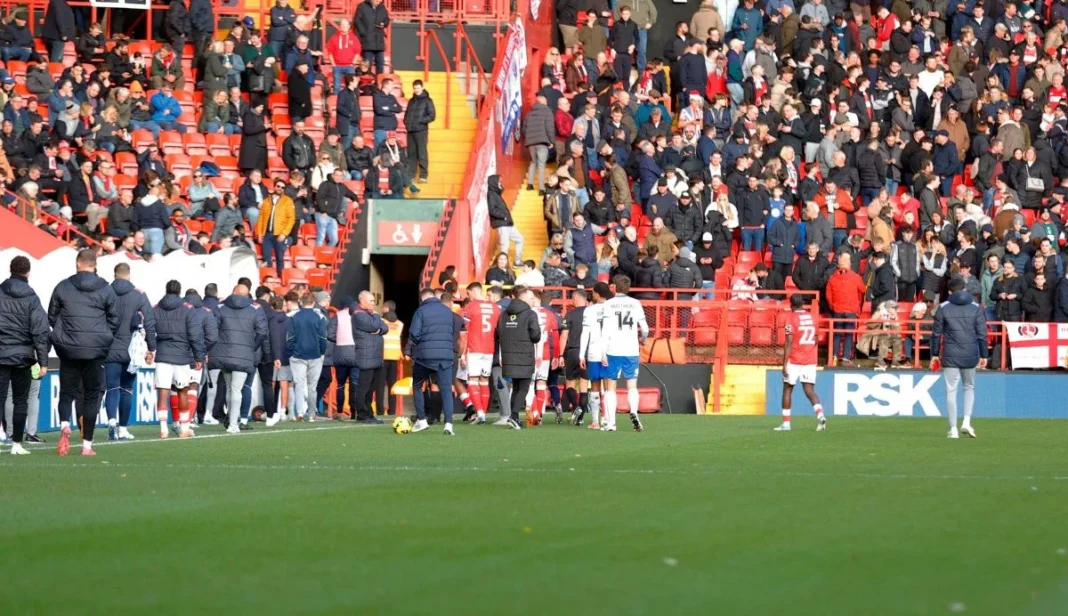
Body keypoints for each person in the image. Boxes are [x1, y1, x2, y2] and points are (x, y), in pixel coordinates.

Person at [48, 249, 120, 456]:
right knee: (91, 396)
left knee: (66, 393)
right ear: (94, 264)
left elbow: (51, 317)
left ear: (78, 263)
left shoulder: (63, 286)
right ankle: (86, 446)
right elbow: (115, 319)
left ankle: (64, 425)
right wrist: (104, 336)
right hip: (95, 351)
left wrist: (62, 336)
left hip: (69, 349)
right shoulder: (106, 289)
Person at [0, 256, 50, 455]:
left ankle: (3, 433)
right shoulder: (32, 297)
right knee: (21, 400)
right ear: (28, 272)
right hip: (22, 355)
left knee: (2, 396)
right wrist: (43, 361)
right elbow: (40, 331)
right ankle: (17, 444)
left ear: (10, 270)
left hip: (1, 353)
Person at [104, 263, 157, 442]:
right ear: (129, 275)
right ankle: (123, 429)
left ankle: (111, 420)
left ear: (114, 274)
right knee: (126, 389)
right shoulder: (139, 295)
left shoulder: (104, 292)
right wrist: (152, 348)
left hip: (109, 348)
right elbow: (149, 321)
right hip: (131, 351)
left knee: (111, 388)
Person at [931, 277, 987, 439]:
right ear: (965, 289)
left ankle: (953, 428)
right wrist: (984, 354)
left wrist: (934, 354)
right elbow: (982, 334)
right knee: (969, 387)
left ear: (949, 292)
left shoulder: (943, 307)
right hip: (970, 353)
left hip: (950, 354)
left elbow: (936, 334)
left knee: (951, 390)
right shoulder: (976, 308)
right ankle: (967, 421)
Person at [153, 279, 204, 439]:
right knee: (183, 391)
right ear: (179, 292)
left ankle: (163, 429)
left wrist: (150, 349)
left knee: (163, 392)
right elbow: (195, 335)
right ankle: (184, 428)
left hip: (162, 355)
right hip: (182, 356)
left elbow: (149, 329)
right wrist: (198, 356)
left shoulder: (156, 308)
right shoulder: (187, 310)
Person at [214, 283, 268, 434]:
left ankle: (232, 421)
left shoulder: (220, 307)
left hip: (225, 354)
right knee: (236, 389)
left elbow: (213, 330)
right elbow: (262, 331)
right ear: (247, 295)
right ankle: (233, 424)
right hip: (244, 354)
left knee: (230, 389)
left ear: (233, 292)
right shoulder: (256, 309)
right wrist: (252, 346)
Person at [597, 275, 648, 432]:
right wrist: (643, 339)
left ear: (614, 287)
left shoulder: (608, 304)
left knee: (611, 386)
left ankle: (611, 423)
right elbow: (645, 328)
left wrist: (603, 351)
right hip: (631, 349)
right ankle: (633, 411)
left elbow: (604, 330)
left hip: (613, 349)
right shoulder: (635, 303)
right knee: (632, 384)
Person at [408, 288, 458, 435]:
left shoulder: (420, 311)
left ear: (423, 299)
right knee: (446, 389)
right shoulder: (448, 312)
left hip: (424, 356)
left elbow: (414, 334)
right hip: (445, 356)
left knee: (417, 385)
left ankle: (422, 420)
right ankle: (448, 424)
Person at [776, 294, 826, 433]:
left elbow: (789, 342)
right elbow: (816, 339)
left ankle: (786, 424)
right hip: (810, 359)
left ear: (791, 304)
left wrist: (784, 363)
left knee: (787, 389)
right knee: (810, 390)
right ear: (803, 304)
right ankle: (820, 415)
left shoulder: (791, 318)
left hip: (795, 358)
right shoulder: (812, 317)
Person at [494, 285, 541, 430]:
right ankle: (514, 416)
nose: (534, 300)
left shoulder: (503, 314)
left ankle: (511, 416)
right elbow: (536, 336)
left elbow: (497, 334)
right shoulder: (530, 314)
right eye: (531, 297)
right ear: (525, 298)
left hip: (508, 357)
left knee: (516, 386)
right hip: (525, 356)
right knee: (524, 386)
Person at [458, 282, 500, 424]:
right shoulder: (495, 308)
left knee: (472, 380)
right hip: (489, 348)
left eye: (468, 293)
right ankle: (483, 413)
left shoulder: (470, 307)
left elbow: (465, 333)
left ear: (472, 291)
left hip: (474, 348)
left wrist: (462, 354)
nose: (468, 296)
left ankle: (480, 413)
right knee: (484, 381)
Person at [287, 292, 327, 422]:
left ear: (301, 302)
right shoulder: (319, 317)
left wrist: (291, 351)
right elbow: (323, 338)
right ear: (314, 302)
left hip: (298, 355)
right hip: (315, 355)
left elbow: (290, 337)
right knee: (312, 387)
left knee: (298, 384)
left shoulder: (294, 316)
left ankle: (299, 412)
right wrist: (321, 352)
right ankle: (311, 414)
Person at [352, 291, 388, 424]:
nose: (374, 303)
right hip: (366, 356)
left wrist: (378, 328)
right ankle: (362, 414)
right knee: (364, 387)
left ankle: (369, 413)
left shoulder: (370, 315)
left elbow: (385, 327)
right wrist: (377, 316)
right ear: (363, 301)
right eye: (371, 301)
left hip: (375, 356)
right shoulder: (358, 314)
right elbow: (374, 325)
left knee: (371, 388)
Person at [825, 252, 866, 365]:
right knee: (848, 334)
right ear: (849, 263)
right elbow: (863, 289)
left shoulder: (832, 277)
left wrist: (833, 306)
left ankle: (834, 357)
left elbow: (828, 295)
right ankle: (846, 358)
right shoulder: (855, 276)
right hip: (851, 311)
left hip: (837, 310)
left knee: (837, 334)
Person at [527, 291, 561, 425]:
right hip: (546, 355)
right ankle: (539, 414)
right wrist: (557, 355)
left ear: (534, 299)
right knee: (541, 384)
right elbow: (556, 337)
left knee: (530, 384)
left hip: (531, 354)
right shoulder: (550, 314)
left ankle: (534, 412)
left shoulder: (529, 313)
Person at [257, 179, 296, 278]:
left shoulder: (288, 201)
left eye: (283, 188)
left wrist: (284, 233)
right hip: (267, 234)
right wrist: (259, 233)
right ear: (274, 187)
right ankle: (268, 279)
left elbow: (291, 219)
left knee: (280, 258)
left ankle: (280, 278)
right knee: (267, 259)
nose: (280, 189)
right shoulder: (267, 200)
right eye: (278, 186)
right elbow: (261, 217)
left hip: (279, 234)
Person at [403, 80, 436, 183]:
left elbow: (432, 115)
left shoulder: (428, 100)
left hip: (421, 130)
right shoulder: (411, 101)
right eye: (415, 88)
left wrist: (420, 121)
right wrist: (407, 123)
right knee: (411, 153)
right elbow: (407, 114)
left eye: (418, 88)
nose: (416, 90)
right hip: (411, 130)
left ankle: (423, 175)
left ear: (422, 88)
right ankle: (411, 175)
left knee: (422, 152)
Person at [487, 174, 523, 265]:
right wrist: (504, 216)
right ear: (494, 183)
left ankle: (517, 261)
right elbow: (492, 210)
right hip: (502, 223)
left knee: (520, 239)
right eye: (499, 182)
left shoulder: (496, 194)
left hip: (507, 223)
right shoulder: (491, 194)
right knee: (504, 246)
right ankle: (502, 266)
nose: (500, 183)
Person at [355, 0, 389, 73]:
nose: (379, 2)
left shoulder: (382, 7)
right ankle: (367, 82)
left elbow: (387, 19)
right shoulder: (362, 6)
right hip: (368, 41)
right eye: (377, 0)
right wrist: (363, 33)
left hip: (379, 41)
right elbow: (357, 20)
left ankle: (379, 83)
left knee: (380, 65)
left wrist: (384, 23)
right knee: (367, 66)